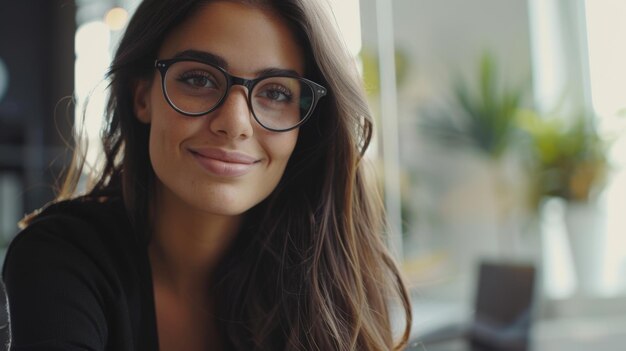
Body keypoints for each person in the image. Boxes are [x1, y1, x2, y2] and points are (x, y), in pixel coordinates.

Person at [2, 0, 412, 350]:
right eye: (198, 79)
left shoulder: (334, 279)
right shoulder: (64, 257)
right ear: (142, 96)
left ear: (306, 125)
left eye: (275, 93)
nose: (235, 123)